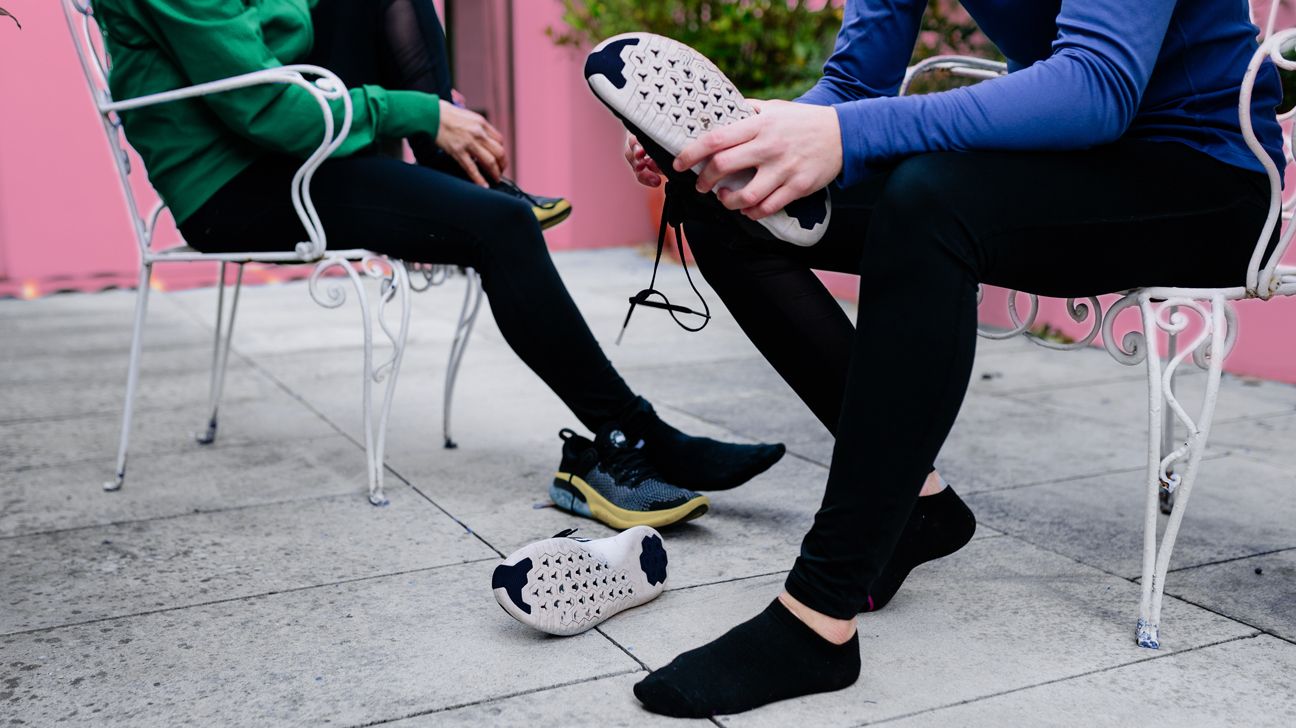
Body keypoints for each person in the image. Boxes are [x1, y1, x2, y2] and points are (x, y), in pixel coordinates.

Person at [609, 0, 1284, 717]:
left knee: (930, 202)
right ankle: (919, 509)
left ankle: (817, 617)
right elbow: (854, 87)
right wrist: (732, 144)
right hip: (1065, 166)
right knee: (728, 204)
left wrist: (840, 133)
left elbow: (1097, 85)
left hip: (1205, 175)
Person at [94, 0, 787, 529]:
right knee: (502, 227)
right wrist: (420, 112)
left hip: (296, 150)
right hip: (237, 184)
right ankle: (625, 438)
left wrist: (413, 110)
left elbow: (285, 45)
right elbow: (266, 108)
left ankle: (459, 181)